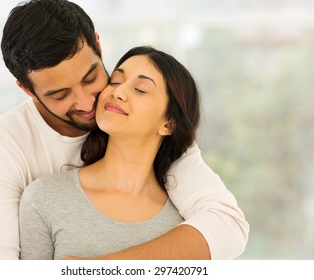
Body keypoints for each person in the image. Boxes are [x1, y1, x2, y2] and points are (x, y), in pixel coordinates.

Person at [0, 0, 249, 260]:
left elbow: (227, 225)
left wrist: (97, 269)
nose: (87, 101)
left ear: (99, 47)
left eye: (91, 78)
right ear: (27, 89)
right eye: (60, 95)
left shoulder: (153, 134)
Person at [19, 46, 198, 259]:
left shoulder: (185, 221)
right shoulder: (43, 198)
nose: (118, 92)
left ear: (169, 124)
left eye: (140, 89)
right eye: (115, 81)